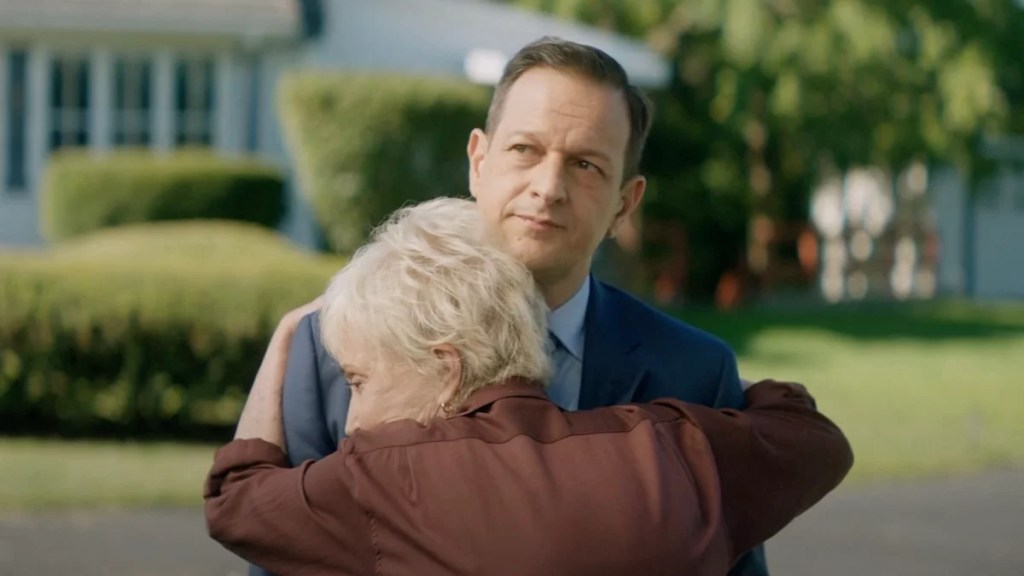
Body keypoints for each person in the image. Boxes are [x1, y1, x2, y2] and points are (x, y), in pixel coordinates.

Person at [273, 37, 769, 576]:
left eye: (585, 165)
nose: (549, 187)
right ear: (478, 161)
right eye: (525, 150)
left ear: (624, 204)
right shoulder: (328, 351)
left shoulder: (695, 374)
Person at [206, 198, 854, 576]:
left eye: (360, 380)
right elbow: (813, 440)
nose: (352, 420)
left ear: (447, 368)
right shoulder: (669, 452)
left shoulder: (384, 482)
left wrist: (285, 336)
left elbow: (235, 501)